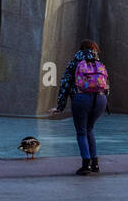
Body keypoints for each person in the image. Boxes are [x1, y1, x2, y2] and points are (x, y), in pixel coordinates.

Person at [47, 40, 110, 175]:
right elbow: (106, 86)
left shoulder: (75, 62)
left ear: (80, 49)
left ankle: (85, 165)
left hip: (82, 99)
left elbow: (65, 83)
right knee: (89, 129)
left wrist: (60, 106)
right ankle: (95, 164)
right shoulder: (99, 63)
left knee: (81, 132)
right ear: (95, 50)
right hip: (100, 99)